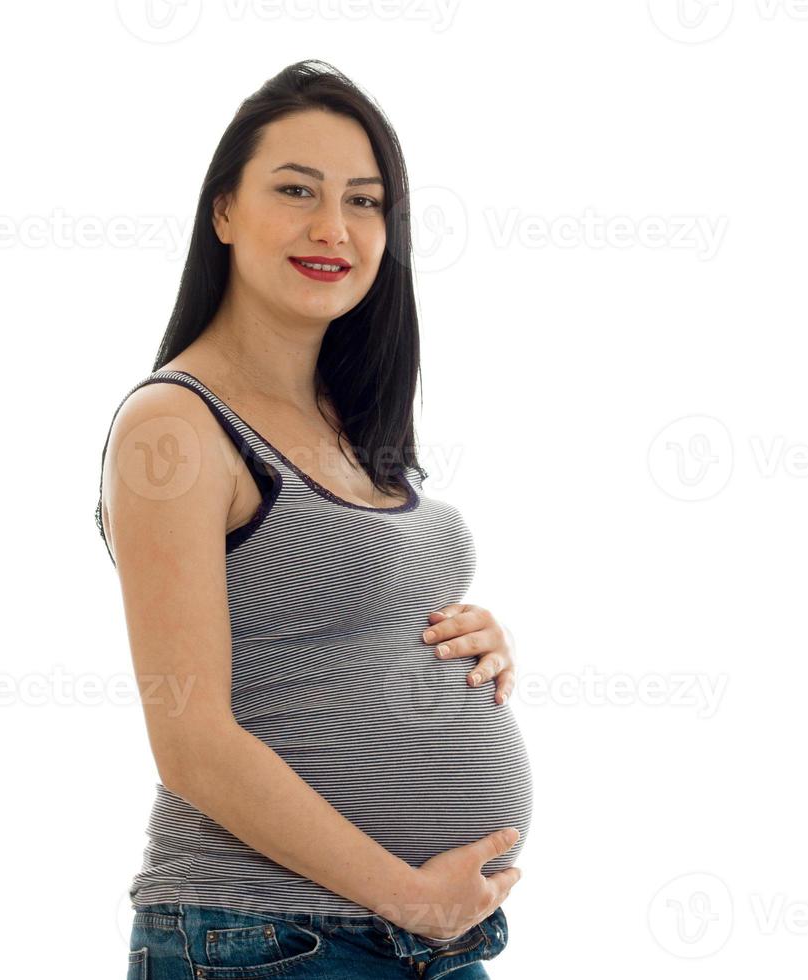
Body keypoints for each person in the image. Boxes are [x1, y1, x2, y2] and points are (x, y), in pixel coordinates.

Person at [94, 61, 533, 979]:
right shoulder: (175, 425)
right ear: (222, 212)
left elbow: (324, 624)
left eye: (365, 202)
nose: (333, 229)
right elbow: (192, 744)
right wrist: (411, 897)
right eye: (296, 191)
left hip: (404, 934)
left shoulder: (348, 416)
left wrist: (462, 641)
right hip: (267, 936)